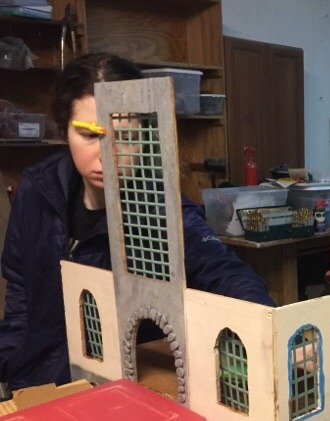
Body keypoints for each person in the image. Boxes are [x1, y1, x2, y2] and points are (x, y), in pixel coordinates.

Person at [0, 53, 276, 393]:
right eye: (89, 135)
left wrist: (270, 333)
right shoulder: (37, 191)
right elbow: (19, 288)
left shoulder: (161, 209)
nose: (107, 154)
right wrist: (13, 362)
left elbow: (224, 272)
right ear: (64, 129)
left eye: (125, 137)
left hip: (116, 388)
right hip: (37, 383)